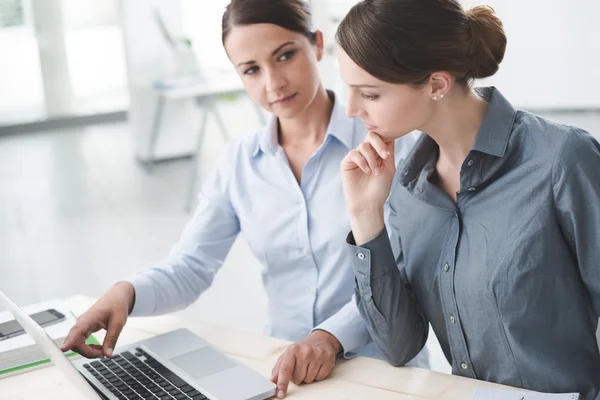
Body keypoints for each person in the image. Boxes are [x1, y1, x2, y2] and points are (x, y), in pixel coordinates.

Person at [60, 0, 426, 398]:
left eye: (284, 56)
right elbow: (191, 266)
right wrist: (125, 293)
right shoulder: (240, 163)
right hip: (285, 375)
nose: (273, 84)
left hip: (384, 371)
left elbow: (406, 275)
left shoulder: (392, 145)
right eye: (251, 70)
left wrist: (328, 337)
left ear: (317, 45)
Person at [336, 0, 600, 398]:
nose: (352, 109)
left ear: (437, 85)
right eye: (349, 89)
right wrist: (365, 216)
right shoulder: (406, 190)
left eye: (369, 94)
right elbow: (399, 346)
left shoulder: (561, 159)